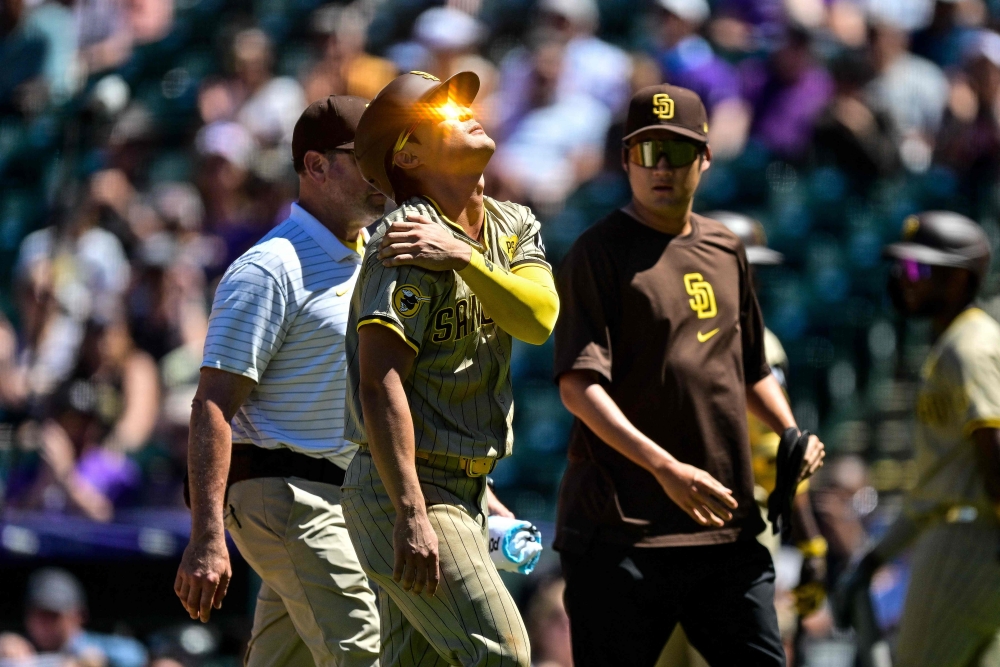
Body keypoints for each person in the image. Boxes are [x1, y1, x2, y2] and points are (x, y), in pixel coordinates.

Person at [552, 84, 825, 666]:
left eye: (678, 153)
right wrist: (665, 468)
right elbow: (578, 386)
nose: (663, 169)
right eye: (648, 153)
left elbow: (751, 367)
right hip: (621, 529)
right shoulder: (596, 253)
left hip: (722, 529)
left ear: (704, 159)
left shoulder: (727, 249)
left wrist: (788, 430)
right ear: (626, 159)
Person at [344, 69, 559, 666]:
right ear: (408, 154)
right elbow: (379, 380)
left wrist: (464, 257)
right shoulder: (405, 239)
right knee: (505, 654)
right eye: (439, 112)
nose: (463, 111)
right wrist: (411, 511)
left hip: (464, 487)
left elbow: (540, 318)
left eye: (462, 102)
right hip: (407, 490)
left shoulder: (511, 223)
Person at [173, 96, 383, 667]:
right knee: (364, 650)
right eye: (365, 156)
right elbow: (212, 406)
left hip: (340, 496)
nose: (383, 170)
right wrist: (207, 536)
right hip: (286, 492)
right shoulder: (271, 267)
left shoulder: (373, 257)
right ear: (315, 166)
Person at [836, 211, 1000, 667]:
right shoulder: (957, 341)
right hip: (964, 532)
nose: (904, 279)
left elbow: (995, 445)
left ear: (958, 279)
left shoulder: (969, 346)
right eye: (902, 268)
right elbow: (936, 485)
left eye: (918, 269)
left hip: (965, 540)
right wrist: (876, 557)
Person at [711, 211, 828, 619]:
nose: (748, 282)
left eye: (751, 271)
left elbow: (777, 451)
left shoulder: (759, 345)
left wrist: (812, 541)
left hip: (741, 523)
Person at [24, 567, 147, 667]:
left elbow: (135, 654)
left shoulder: (91, 648)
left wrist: (97, 660)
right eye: (37, 616)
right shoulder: (22, 651)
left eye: (52, 616)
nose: (44, 625)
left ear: (78, 616)